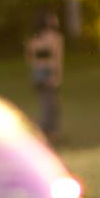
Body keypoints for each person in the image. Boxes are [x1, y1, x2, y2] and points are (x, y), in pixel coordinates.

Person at [26, 8, 65, 143]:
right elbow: (57, 59)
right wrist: (56, 75)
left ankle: (46, 131)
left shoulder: (35, 38)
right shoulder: (55, 38)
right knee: (51, 104)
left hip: (38, 73)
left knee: (44, 103)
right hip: (48, 72)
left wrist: (38, 65)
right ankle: (49, 132)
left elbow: (30, 56)